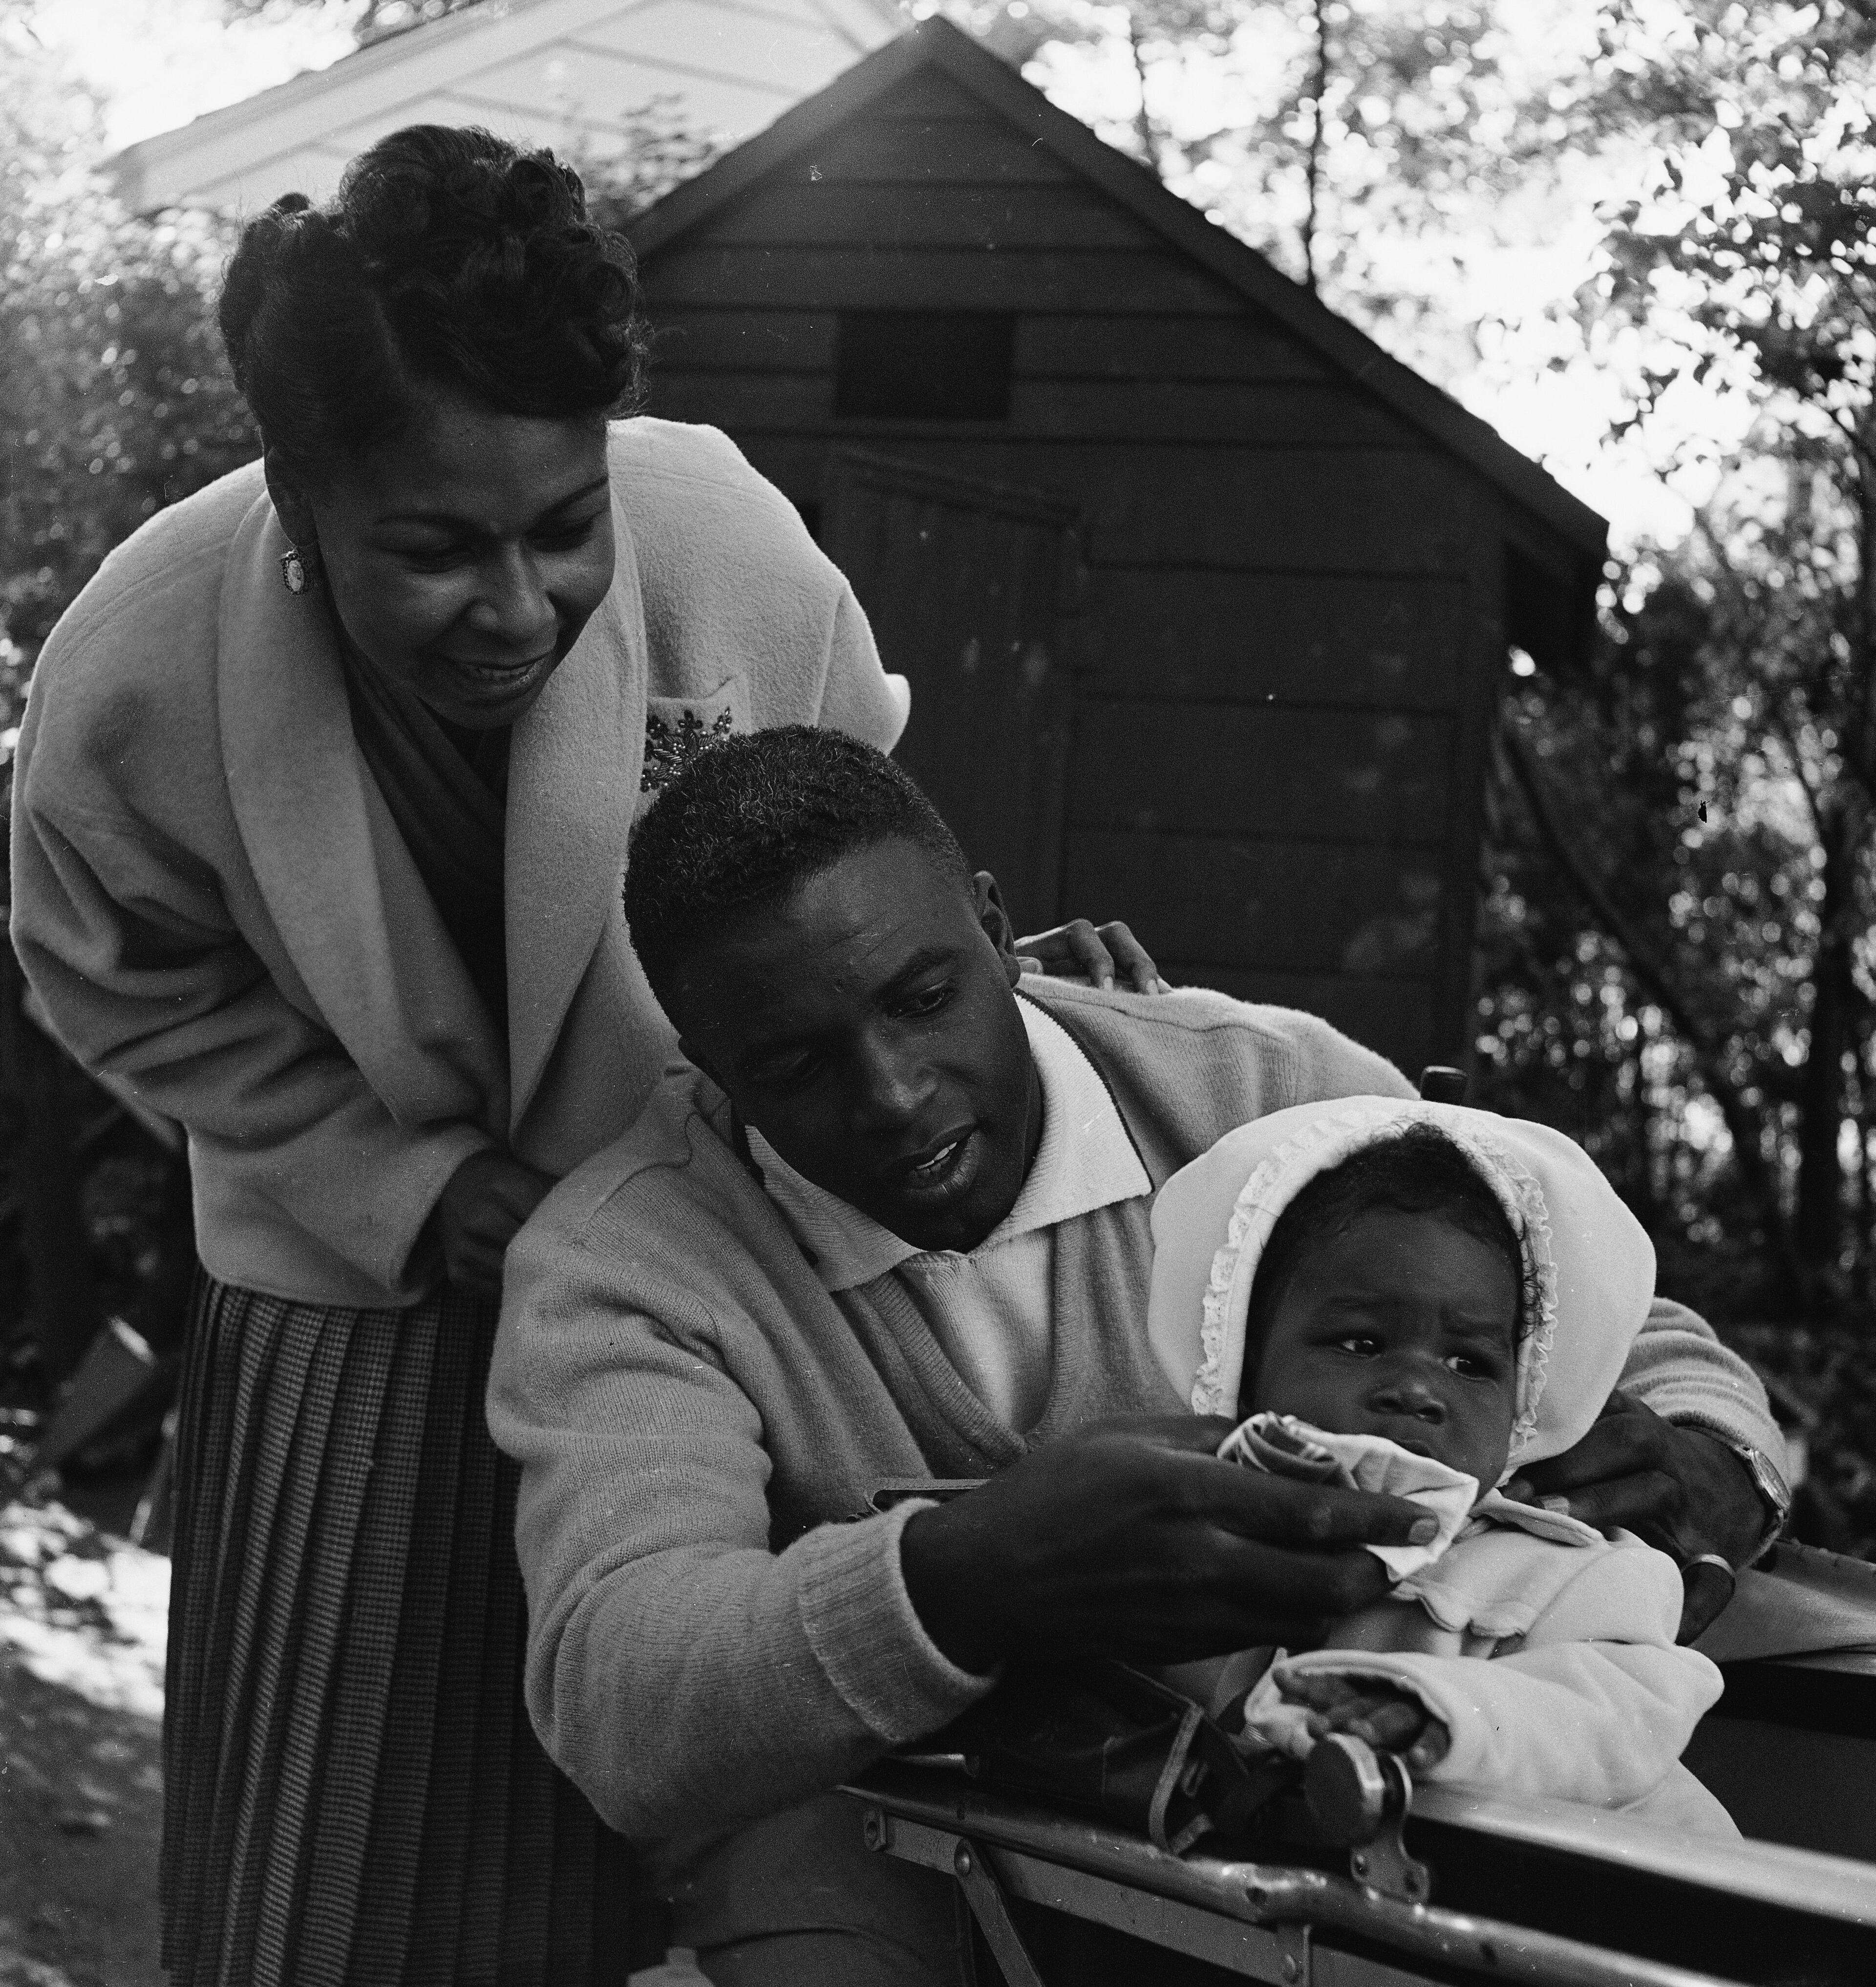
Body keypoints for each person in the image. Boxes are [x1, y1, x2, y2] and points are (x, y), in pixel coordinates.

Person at [7, 126, 1142, 1986]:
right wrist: (399, 1187)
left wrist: (1028, 992)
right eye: (440, 553)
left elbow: (854, 839)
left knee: (730, 1796)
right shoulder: (138, 665)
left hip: (714, 1283)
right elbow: (118, 974)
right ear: (295, 496)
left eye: (560, 529)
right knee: (351, 1871)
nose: (521, 606)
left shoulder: (726, 544)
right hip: (358, 1318)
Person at [489, 726, 1786, 1986]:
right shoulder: (627, 1262)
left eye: (925, 997)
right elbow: (623, 1685)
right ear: (708, 1068)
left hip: (1320, 1803)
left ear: (998, 931)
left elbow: (1626, 1326)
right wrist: (965, 1580)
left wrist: (1701, 1448)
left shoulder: (1270, 1094)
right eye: (795, 1062)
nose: (894, 1090)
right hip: (869, 1830)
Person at [1145, 1105, 1734, 1833]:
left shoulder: (1572, 1568)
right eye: (1361, 1343)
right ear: (1242, 1363)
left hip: (1630, 1912)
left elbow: (1619, 1716)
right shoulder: (1194, 1543)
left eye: (1469, 1364)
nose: (1420, 1390)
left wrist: (1429, 1712)